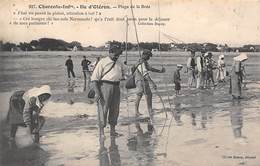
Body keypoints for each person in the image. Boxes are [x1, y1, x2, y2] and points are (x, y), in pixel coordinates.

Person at [91, 45, 125, 138]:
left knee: (115, 109)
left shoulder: (120, 62)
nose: (117, 56)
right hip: (104, 86)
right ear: (110, 52)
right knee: (104, 109)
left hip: (116, 87)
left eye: (118, 55)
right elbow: (94, 78)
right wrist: (97, 93)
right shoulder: (102, 62)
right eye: (115, 54)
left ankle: (113, 131)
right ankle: (101, 132)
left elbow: (125, 74)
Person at [134, 49, 165, 117]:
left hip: (144, 80)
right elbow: (145, 74)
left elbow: (150, 68)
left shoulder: (145, 62)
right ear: (144, 55)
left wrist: (160, 71)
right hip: (140, 81)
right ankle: (137, 111)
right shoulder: (140, 62)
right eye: (148, 56)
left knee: (149, 94)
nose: (149, 58)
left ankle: (150, 109)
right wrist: (152, 83)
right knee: (139, 95)